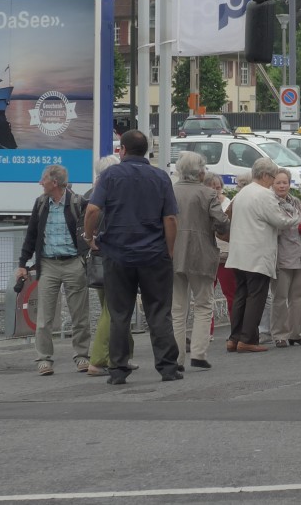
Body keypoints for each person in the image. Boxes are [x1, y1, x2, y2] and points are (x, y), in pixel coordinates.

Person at [83, 129, 180, 384]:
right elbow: (170, 218)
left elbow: (93, 209)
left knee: (119, 313)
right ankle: (168, 367)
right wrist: (169, 250)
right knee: (159, 312)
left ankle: (118, 369)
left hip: (117, 255)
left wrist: (88, 237)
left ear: (122, 150)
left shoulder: (110, 175)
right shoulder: (160, 177)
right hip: (154, 255)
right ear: (146, 150)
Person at [14, 164, 93, 376]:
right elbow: (31, 236)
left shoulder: (78, 203)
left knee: (80, 315)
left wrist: (86, 257)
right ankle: (44, 359)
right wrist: (23, 264)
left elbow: (91, 230)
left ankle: (82, 356)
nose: (40, 183)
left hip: (74, 263)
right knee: (44, 317)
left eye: (43, 179)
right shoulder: (41, 204)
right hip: (48, 264)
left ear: (54, 183)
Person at [225, 157, 301, 353]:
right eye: (272, 177)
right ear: (264, 175)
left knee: (241, 296)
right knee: (256, 297)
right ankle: (248, 339)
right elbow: (281, 221)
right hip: (257, 254)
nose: (273, 182)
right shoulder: (264, 195)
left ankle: (234, 338)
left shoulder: (242, 193)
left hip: (238, 252)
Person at [171, 151, 231, 370]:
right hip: (201, 252)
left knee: (178, 308)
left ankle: (176, 358)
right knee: (204, 304)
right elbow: (222, 223)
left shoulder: (170, 191)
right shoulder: (208, 194)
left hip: (174, 252)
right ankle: (199, 353)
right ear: (200, 171)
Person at [84, 155, 136, 377]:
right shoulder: (113, 196)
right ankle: (98, 360)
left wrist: (89, 240)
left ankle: (124, 354)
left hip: (97, 258)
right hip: (114, 256)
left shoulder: (89, 195)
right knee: (113, 310)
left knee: (113, 306)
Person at [269, 168, 301, 347]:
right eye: (278, 182)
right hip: (281, 255)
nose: (282, 186)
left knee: (298, 297)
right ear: (272, 184)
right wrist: (298, 221)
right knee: (280, 297)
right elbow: (276, 227)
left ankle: (295, 333)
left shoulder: (295, 201)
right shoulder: (270, 202)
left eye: (285, 182)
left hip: (300, 254)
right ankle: (279, 334)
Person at [210, 172, 239, 326]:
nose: (216, 190)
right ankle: (208, 330)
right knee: (207, 295)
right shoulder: (205, 201)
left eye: (218, 187)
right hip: (209, 254)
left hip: (225, 254)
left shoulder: (227, 203)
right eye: (213, 187)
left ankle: (235, 326)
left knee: (230, 292)